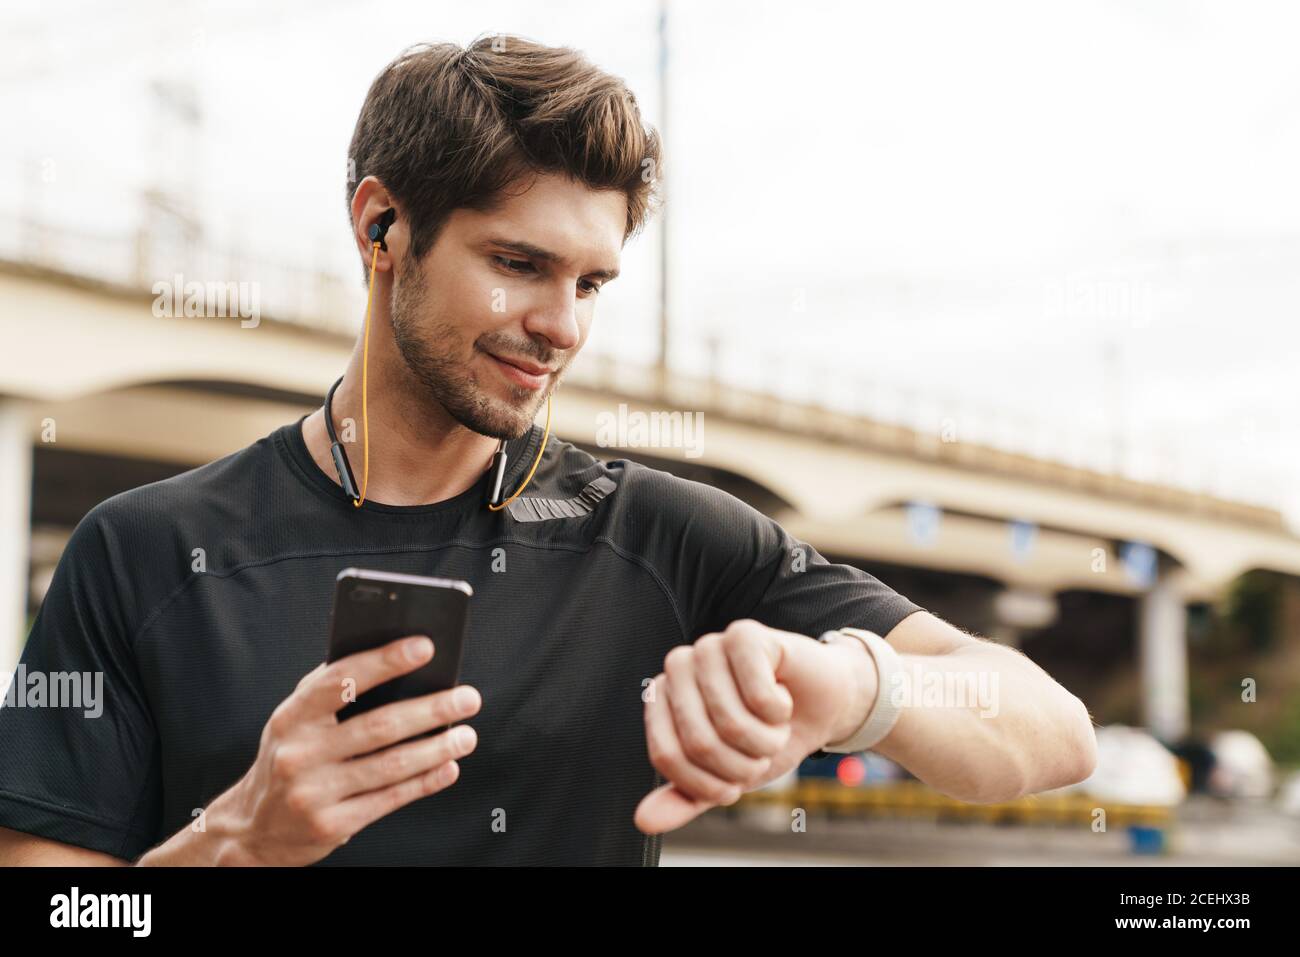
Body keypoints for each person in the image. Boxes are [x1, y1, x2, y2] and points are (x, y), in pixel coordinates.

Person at [0, 36, 1096, 867]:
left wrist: (852, 686)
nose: (563, 326)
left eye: (590, 283)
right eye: (519, 263)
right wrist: (236, 844)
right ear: (381, 228)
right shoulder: (140, 551)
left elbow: (1053, 733)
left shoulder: (667, 539)